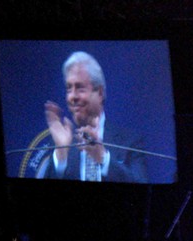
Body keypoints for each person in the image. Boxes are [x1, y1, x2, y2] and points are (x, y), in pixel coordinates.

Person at [41, 51, 147, 183]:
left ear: (100, 93)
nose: (72, 97)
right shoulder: (63, 144)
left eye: (80, 88)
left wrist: (103, 158)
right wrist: (61, 156)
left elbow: (142, 190)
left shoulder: (130, 142)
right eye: (69, 89)